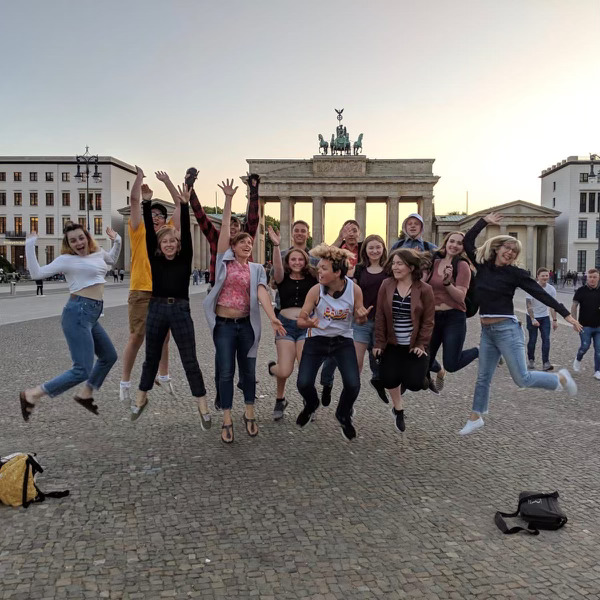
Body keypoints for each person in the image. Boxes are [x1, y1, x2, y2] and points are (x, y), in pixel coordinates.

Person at [458, 212, 582, 436]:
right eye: (507, 248)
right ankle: (475, 417)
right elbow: (467, 241)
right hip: (487, 331)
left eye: (515, 251)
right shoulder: (482, 265)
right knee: (483, 377)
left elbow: (540, 293)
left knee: (522, 379)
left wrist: (566, 315)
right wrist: (484, 221)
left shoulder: (516, 274)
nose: (511, 252)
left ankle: (561, 378)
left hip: (507, 330)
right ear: (497, 248)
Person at [203, 179, 285, 444]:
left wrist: (272, 317)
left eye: (250, 242)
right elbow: (225, 227)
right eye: (243, 242)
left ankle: (249, 412)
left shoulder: (257, 268)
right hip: (224, 325)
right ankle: (227, 417)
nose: (248, 244)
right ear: (233, 247)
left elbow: (262, 292)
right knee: (226, 372)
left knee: (248, 371)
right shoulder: (223, 262)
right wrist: (228, 199)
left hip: (247, 326)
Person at [19, 222, 121, 420]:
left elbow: (112, 259)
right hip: (77, 314)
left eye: (81, 238)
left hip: (91, 315)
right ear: (69, 243)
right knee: (82, 369)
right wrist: (30, 245)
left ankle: (86, 394)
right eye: (73, 240)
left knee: (109, 356)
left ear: (87, 237)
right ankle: (32, 394)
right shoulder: (66, 260)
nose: (78, 243)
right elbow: (37, 274)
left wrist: (117, 240)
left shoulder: (99, 252)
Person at [131, 184, 210, 427]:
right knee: (150, 358)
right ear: (159, 245)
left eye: (171, 241)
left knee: (190, 359)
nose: (168, 244)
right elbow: (146, 236)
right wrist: (146, 202)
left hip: (180, 310)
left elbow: (185, 233)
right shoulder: (154, 259)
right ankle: (141, 398)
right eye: (164, 241)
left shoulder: (184, 259)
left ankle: (202, 405)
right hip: (156, 308)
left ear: (177, 244)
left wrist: (184, 205)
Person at [295, 244, 372, 441]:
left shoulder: (354, 290)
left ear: (337, 272)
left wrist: (362, 317)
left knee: (353, 384)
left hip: (342, 341)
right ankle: (311, 404)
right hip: (316, 340)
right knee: (303, 383)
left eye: (323, 268)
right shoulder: (315, 290)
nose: (318, 271)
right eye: (318, 267)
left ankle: (343, 414)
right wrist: (308, 322)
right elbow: (300, 320)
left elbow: (359, 318)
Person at [119, 167, 180, 405]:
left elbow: (179, 204)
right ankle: (125, 381)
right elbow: (134, 201)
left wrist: (167, 181)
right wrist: (139, 178)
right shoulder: (138, 230)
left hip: (162, 291)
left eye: (159, 215)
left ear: (165, 220)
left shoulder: (167, 235)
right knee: (137, 336)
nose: (155, 217)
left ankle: (163, 375)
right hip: (141, 290)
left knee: (165, 337)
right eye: (152, 213)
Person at [373, 248, 435, 432]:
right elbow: (380, 316)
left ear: (410, 267)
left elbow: (428, 320)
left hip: (414, 344)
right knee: (388, 379)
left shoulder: (425, 289)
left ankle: (425, 377)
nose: (395, 267)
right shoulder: (386, 284)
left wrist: (421, 344)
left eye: (399, 263)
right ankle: (398, 409)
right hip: (392, 344)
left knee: (415, 384)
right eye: (393, 263)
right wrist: (378, 343)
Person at [266, 225, 317, 421]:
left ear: (306, 261)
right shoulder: (282, 277)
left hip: (305, 327)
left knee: (305, 368)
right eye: (293, 259)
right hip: (285, 326)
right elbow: (277, 267)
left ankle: (308, 402)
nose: (296, 262)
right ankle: (278, 389)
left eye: (300, 259)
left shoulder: (313, 278)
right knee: (284, 369)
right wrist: (277, 246)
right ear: (288, 261)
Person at [426, 231, 479, 391]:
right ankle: (438, 372)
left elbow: (461, 297)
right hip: (433, 317)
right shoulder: (433, 262)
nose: (454, 245)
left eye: (459, 243)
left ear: (463, 247)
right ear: (446, 242)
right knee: (423, 360)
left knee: (452, 364)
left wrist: (448, 283)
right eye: (452, 241)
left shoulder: (462, 265)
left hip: (453, 317)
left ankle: (479, 350)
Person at [352, 234, 390, 403]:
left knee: (380, 359)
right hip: (361, 321)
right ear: (365, 251)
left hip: (383, 322)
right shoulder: (359, 269)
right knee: (355, 365)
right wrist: (355, 311)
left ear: (383, 249)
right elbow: (349, 291)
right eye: (371, 248)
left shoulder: (390, 269)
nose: (375, 251)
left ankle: (378, 381)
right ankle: (350, 401)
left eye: (378, 247)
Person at [525, 267, 558, 371]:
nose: (545, 277)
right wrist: (533, 319)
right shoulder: (531, 287)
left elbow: (553, 305)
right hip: (532, 316)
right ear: (538, 277)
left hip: (544, 317)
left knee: (546, 339)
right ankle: (531, 360)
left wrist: (555, 320)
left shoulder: (551, 289)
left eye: (546, 275)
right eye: (542, 276)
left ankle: (546, 362)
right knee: (533, 339)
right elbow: (528, 305)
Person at [571, 268, 600, 380]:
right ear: (587, 278)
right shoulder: (581, 291)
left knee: (599, 350)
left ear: (598, 278)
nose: (592, 279)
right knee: (585, 346)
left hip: (599, 326)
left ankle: (598, 370)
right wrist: (574, 322)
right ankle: (578, 359)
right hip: (584, 325)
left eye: (594, 277)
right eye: (590, 277)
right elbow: (574, 306)